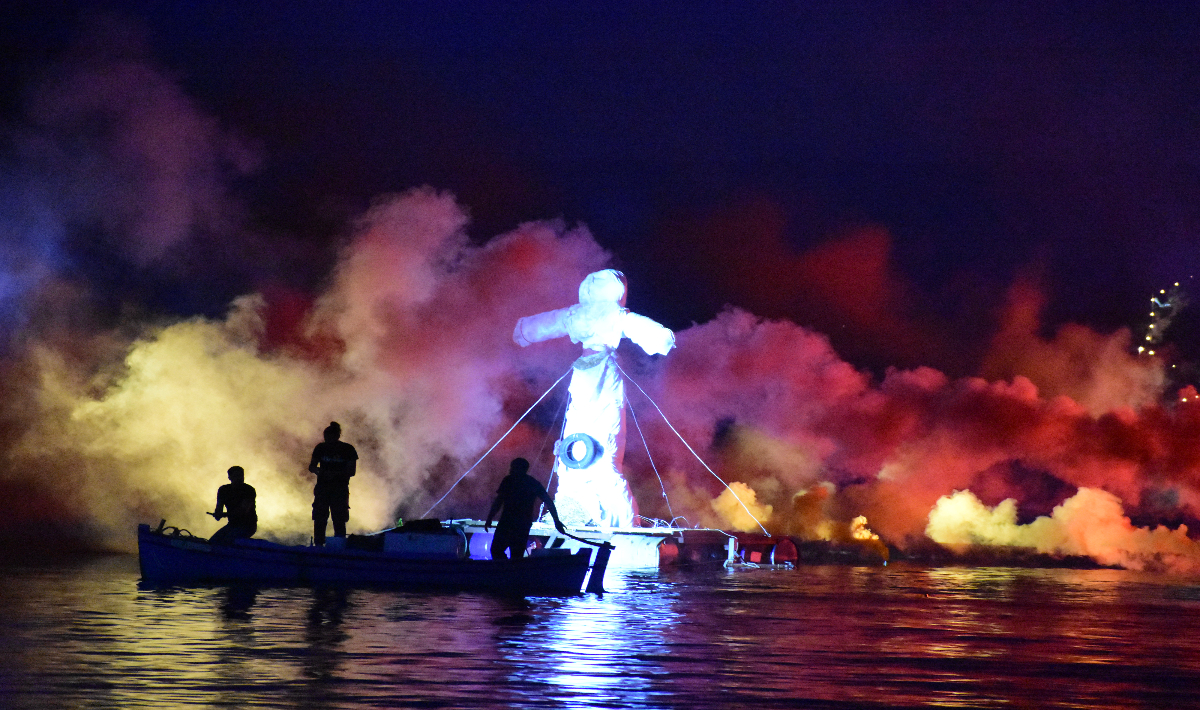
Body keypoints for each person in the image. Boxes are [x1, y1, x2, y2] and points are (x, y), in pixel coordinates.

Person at [484, 457, 566, 560]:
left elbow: (498, 501)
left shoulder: (508, 481)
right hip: (522, 524)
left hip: (507, 523)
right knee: (516, 555)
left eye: (512, 467)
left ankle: (505, 571)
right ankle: (511, 572)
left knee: (497, 550)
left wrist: (490, 518)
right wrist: (556, 521)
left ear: (518, 468)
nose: (510, 470)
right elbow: (548, 502)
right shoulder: (532, 483)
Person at [309, 421, 358, 546]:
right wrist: (318, 471)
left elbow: (351, 471)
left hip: (339, 489)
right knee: (320, 518)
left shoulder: (348, 449)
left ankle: (339, 546)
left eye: (329, 437)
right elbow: (312, 466)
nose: (327, 439)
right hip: (323, 488)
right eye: (326, 437)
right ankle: (319, 544)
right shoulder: (320, 448)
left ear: (337, 436)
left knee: (339, 519)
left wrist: (335, 474)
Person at [210, 466, 257, 545]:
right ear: (229, 477)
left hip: (248, 526)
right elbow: (219, 508)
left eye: (241, 476)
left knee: (226, 541)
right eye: (236, 476)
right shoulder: (223, 490)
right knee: (212, 542)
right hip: (232, 525)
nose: (239, 478)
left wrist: (224, 514)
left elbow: (243, 510)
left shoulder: (249, 490)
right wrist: (217, 514)